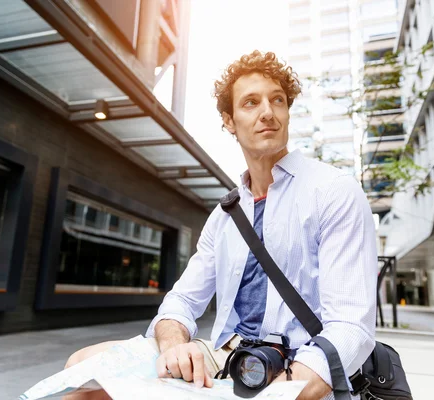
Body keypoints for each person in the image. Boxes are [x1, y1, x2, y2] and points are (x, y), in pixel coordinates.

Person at [64, 50, 378, 400]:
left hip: (295, 365)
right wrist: (174, 347)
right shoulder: (225, 214)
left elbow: (351, 327)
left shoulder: (334, 191)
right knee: (83, 370)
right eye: (250, 103)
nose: (267, 113)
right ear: (229, 120)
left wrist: (289, 387)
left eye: (277, 100)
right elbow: (181, 301)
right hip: (225, 359)